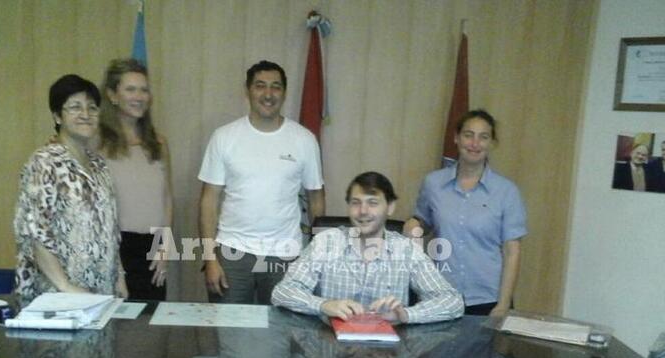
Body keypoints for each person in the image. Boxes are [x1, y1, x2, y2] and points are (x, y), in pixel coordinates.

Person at [198, 60, 325, 305]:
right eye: (260, 86)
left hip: (285, 255)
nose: (268, 94)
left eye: (276, 87)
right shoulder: (224, 137)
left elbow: (316, 197)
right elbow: (208, 201)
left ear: (284, 93)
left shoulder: (304, 139)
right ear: (248, 91)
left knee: (282, 334)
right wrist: (209, 258)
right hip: (231, 253)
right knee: (228, 334)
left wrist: (316, 256)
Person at [272, 171, 464, 324]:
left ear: (390, 207)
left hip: (387, 356)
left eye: (373, 203)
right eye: (356, 203)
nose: (363, 211)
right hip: (330, 352)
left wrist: (406, 314)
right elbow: (282, 292)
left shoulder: (407, 250)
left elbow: (452, 302)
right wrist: (323, 305)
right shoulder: (326, 242)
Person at [14, 74, 127, 305]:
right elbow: (35, 232)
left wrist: (120, 276)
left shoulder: (98, 165)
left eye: (92, 108)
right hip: (57, 297)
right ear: (57, 116)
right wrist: (65, 286)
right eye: (75, 107)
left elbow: (110, 227)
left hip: (100, 292)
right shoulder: (44, 162)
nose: (85, 115)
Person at [405, 109, 527, 316]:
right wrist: (414, 224)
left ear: (492, 143)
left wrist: (503, 304)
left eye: (483, 137)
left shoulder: (507, 191)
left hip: (488, 299)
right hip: (441, 295)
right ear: (456, 138)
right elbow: (424, 221)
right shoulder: (433, 183)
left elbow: (512, 251)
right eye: (468, 135)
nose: (475, 143)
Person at [98, 58, 173, 300]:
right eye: (130, 89)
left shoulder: (159, 143)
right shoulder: (97, 144)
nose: (139, 96)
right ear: (112, 95)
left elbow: (167, 198)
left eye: (144, 89)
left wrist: (164, 247)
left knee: (152, 329)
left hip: (153, 248)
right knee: (119, 329)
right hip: (115, 248)